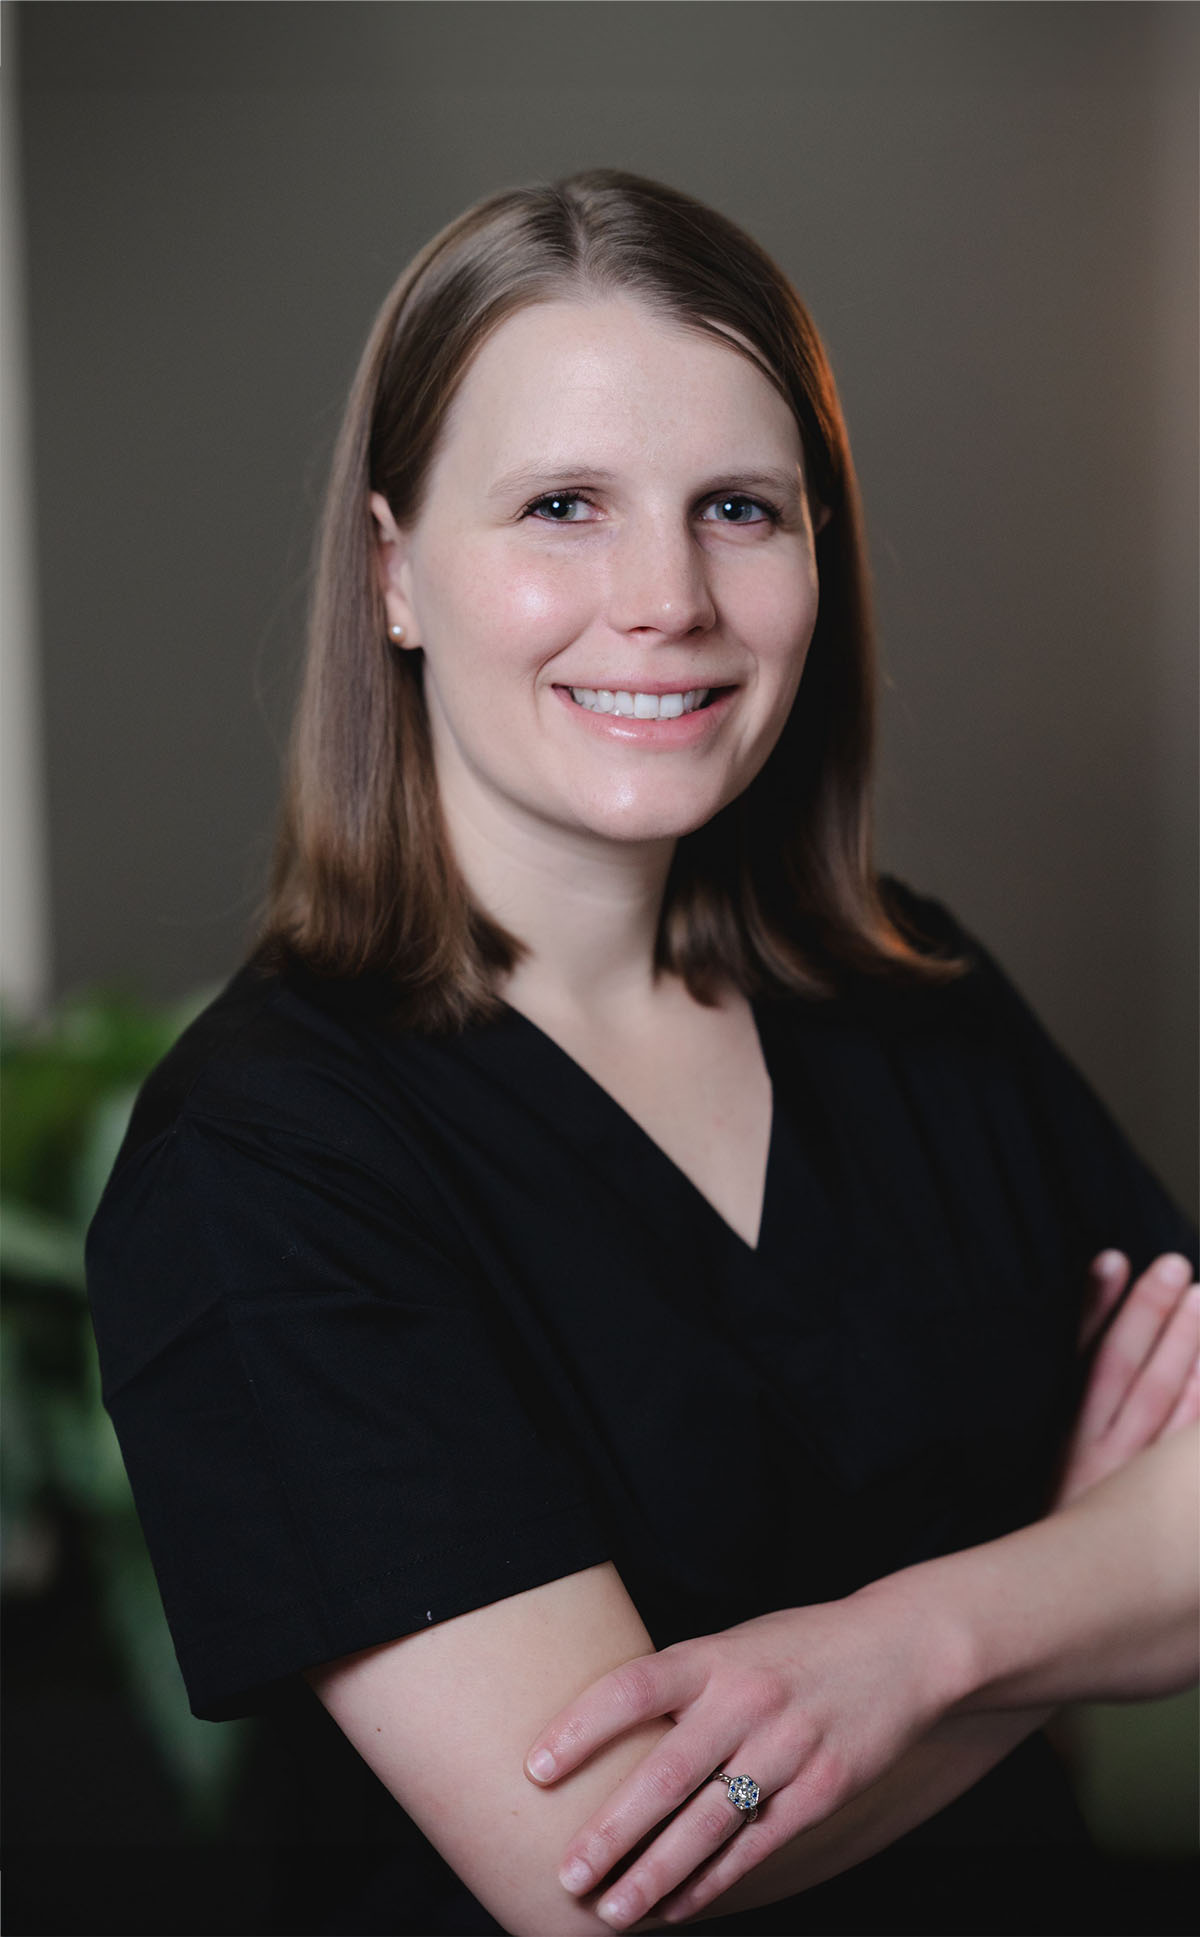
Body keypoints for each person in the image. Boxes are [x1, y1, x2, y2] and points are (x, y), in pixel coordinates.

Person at [85, 168, 1198, 1937]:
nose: (667, 594)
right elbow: (607, 1870)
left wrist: (916, 1643)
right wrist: (1091, 1586)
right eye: (564, 505)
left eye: (740, 507)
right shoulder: (263, 1158)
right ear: (394, 574)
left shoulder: (923, 996)